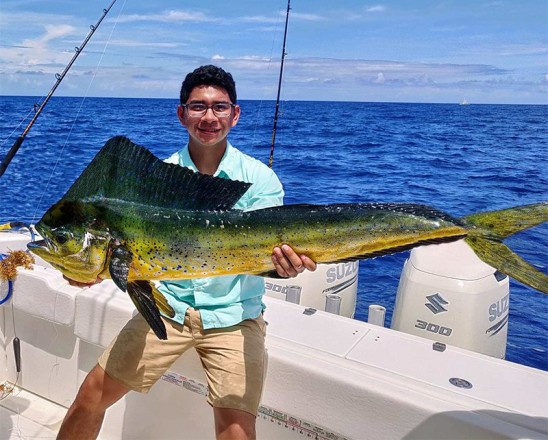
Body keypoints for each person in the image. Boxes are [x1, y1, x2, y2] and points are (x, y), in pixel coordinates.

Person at [56, 65, 317, 440]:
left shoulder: (261, 180)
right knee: (89, 399)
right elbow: (125, 254)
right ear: (181, 114)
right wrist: (84, 270)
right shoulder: (158, 178)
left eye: (220, 107)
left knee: (237, 433)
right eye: (198, 107)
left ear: (235, 114)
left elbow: (267, 255)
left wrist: (283, 267)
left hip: (234, 317)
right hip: (167, 309)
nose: (209, 117)